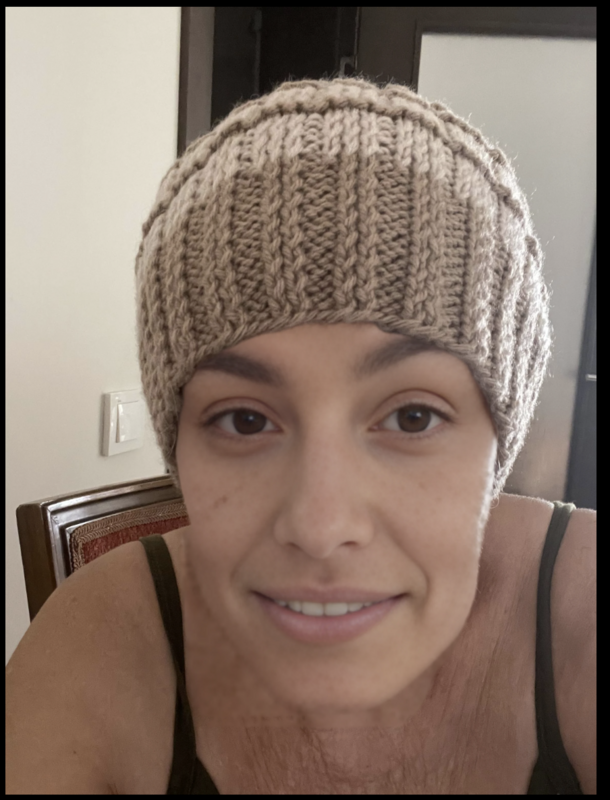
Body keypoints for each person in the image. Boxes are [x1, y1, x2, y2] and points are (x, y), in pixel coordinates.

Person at [6, 76, 596, 794]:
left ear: (498, 445)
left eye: (412, 417)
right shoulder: (103, 640)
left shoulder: (583, 604)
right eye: (245, 420)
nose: (321, 527)